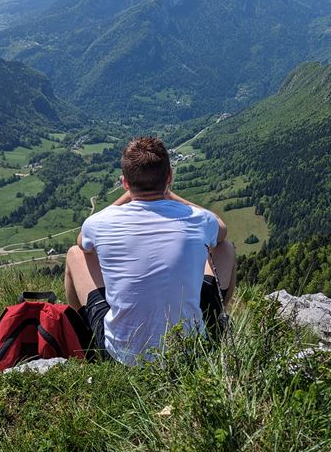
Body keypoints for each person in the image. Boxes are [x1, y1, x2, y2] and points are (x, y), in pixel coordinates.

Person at [64, 135, 236, 365]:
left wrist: (128, 195)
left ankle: (85, 335)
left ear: (125, 182)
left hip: (123, 356)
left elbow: (82, 241)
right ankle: (215, 320)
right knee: (226, 248)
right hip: (191, 349)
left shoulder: (98, 223)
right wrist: (169, 194)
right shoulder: (198, 220)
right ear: (169, 177)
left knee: (75, 254)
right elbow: (221, 230)